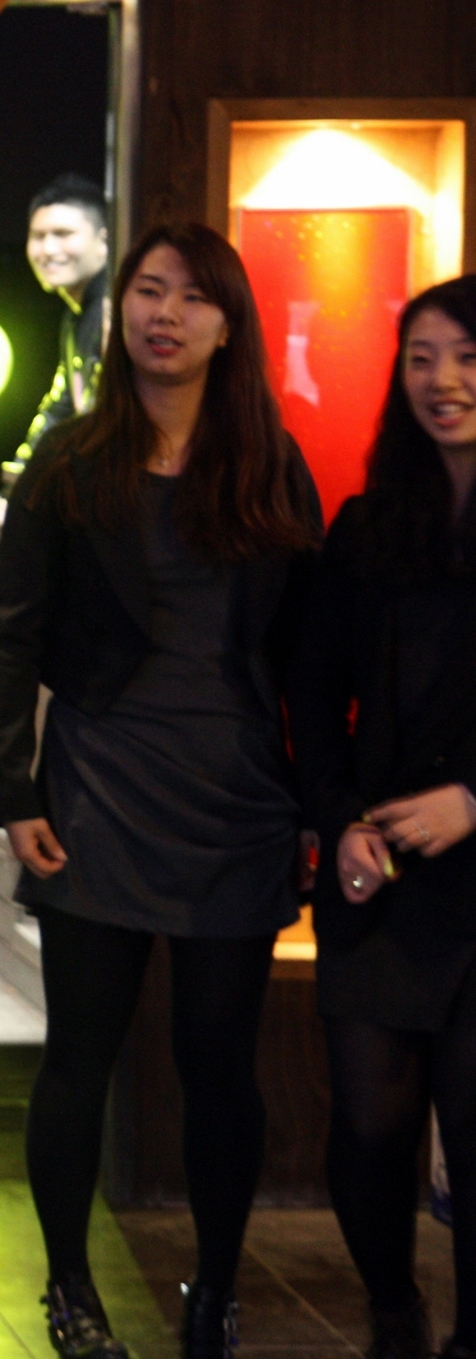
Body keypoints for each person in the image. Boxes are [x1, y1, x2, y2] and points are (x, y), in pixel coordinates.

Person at [0, 222, 323, 1359]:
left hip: (236, 800)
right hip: (98, 791)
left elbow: (309, 657)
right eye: (146, 290)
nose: (163, 313)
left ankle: (215, 1292)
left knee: (219, 1066)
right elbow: (14, 636)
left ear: (229, 326)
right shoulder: (72, 461)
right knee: (80, 1055)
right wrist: (16, 791)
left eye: (189, 296)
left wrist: (316, 806)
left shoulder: (270, 465)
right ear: (121, 309)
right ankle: (70, 1291)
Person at [291, 276, 476, 1359]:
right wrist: (339, 817)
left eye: (467, 357)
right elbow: (313, 693)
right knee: (368, 1126)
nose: (443, 380)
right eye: (422, 358)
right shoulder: (368, 526)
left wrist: (474, 800)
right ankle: (393, 1311)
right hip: (382, 872)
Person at [8, 174, 117, 482]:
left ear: (103, 241)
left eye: (63, 234)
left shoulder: (114, 307)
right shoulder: (75, 317)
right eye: (38, 236)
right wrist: (17, 485)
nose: (48, 249)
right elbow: (61, 409)